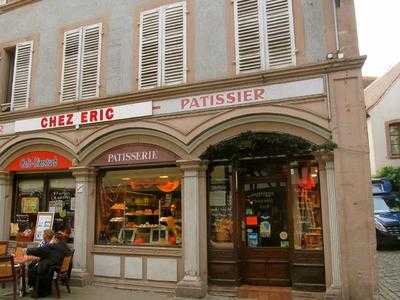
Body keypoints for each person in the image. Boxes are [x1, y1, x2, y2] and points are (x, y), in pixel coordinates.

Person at [26, 232, 72, 298]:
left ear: (55, 239)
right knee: (35, 265)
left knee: (33, 267)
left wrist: (27, 250)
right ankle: (38, 288)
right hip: (59, 266)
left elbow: (39, 250)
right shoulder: (64, 246)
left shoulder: (52, 246)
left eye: (53, 238)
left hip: (53, 268)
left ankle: (35, 288)